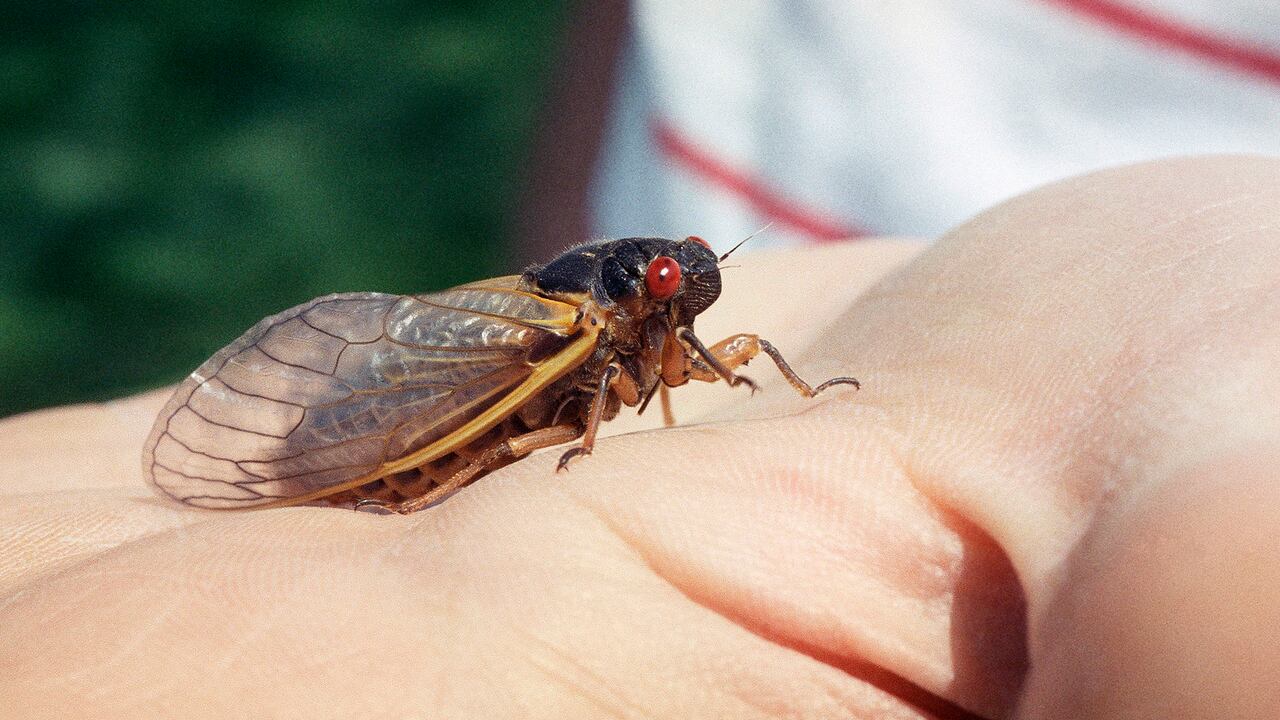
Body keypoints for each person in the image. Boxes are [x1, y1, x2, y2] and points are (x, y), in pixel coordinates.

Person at [3, 156, 1278, 718]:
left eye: (691, 280)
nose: (690, 292)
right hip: (474, 377)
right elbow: (575, 388)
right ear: (636, 294)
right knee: (449, 420)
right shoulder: (574, 326)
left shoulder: (671, 321)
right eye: (669, 286)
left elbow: (710, 358)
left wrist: (785, 372)